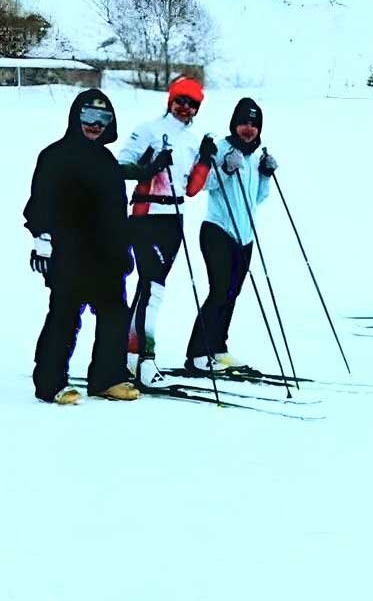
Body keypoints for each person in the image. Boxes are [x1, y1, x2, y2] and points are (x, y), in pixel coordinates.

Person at [24, 89, 140, 404]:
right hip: (69, 254)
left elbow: (116, 211)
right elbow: (40, 203)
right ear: (76, 118)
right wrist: (42, 239)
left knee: (115, 314)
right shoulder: (54, 156)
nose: (95, 124)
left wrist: (123, 249)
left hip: (106, 257)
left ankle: (107, 378)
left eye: (103, 118)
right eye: (88, 116)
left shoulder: (107, 161)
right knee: (64, 316)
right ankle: (50, 384)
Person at [118, 75, 204, 385]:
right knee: (154, 290)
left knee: (149, 288)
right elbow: (121, 167)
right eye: (181, 101)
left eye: (192, 104)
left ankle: (127, 354)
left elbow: (192, 188)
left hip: (174, 219)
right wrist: (151, 166)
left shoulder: (191, 140)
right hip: (147, 216)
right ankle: (145, 360)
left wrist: (205, 160)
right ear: (170, 100)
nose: (185, 108)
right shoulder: (148, 131)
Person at [182, 98, 276, 374]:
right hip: (217, 231)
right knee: (219, 291)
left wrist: (265, 174)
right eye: (243, 123)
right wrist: (224, 167)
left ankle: (218, 348)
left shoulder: (254, 156)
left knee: (232, 293)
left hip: (244, 236)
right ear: (234, 124)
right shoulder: (222, 149)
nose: (248, 129)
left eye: (254, 124)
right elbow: (202, 186)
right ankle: (198, 352)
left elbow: (257, 198)